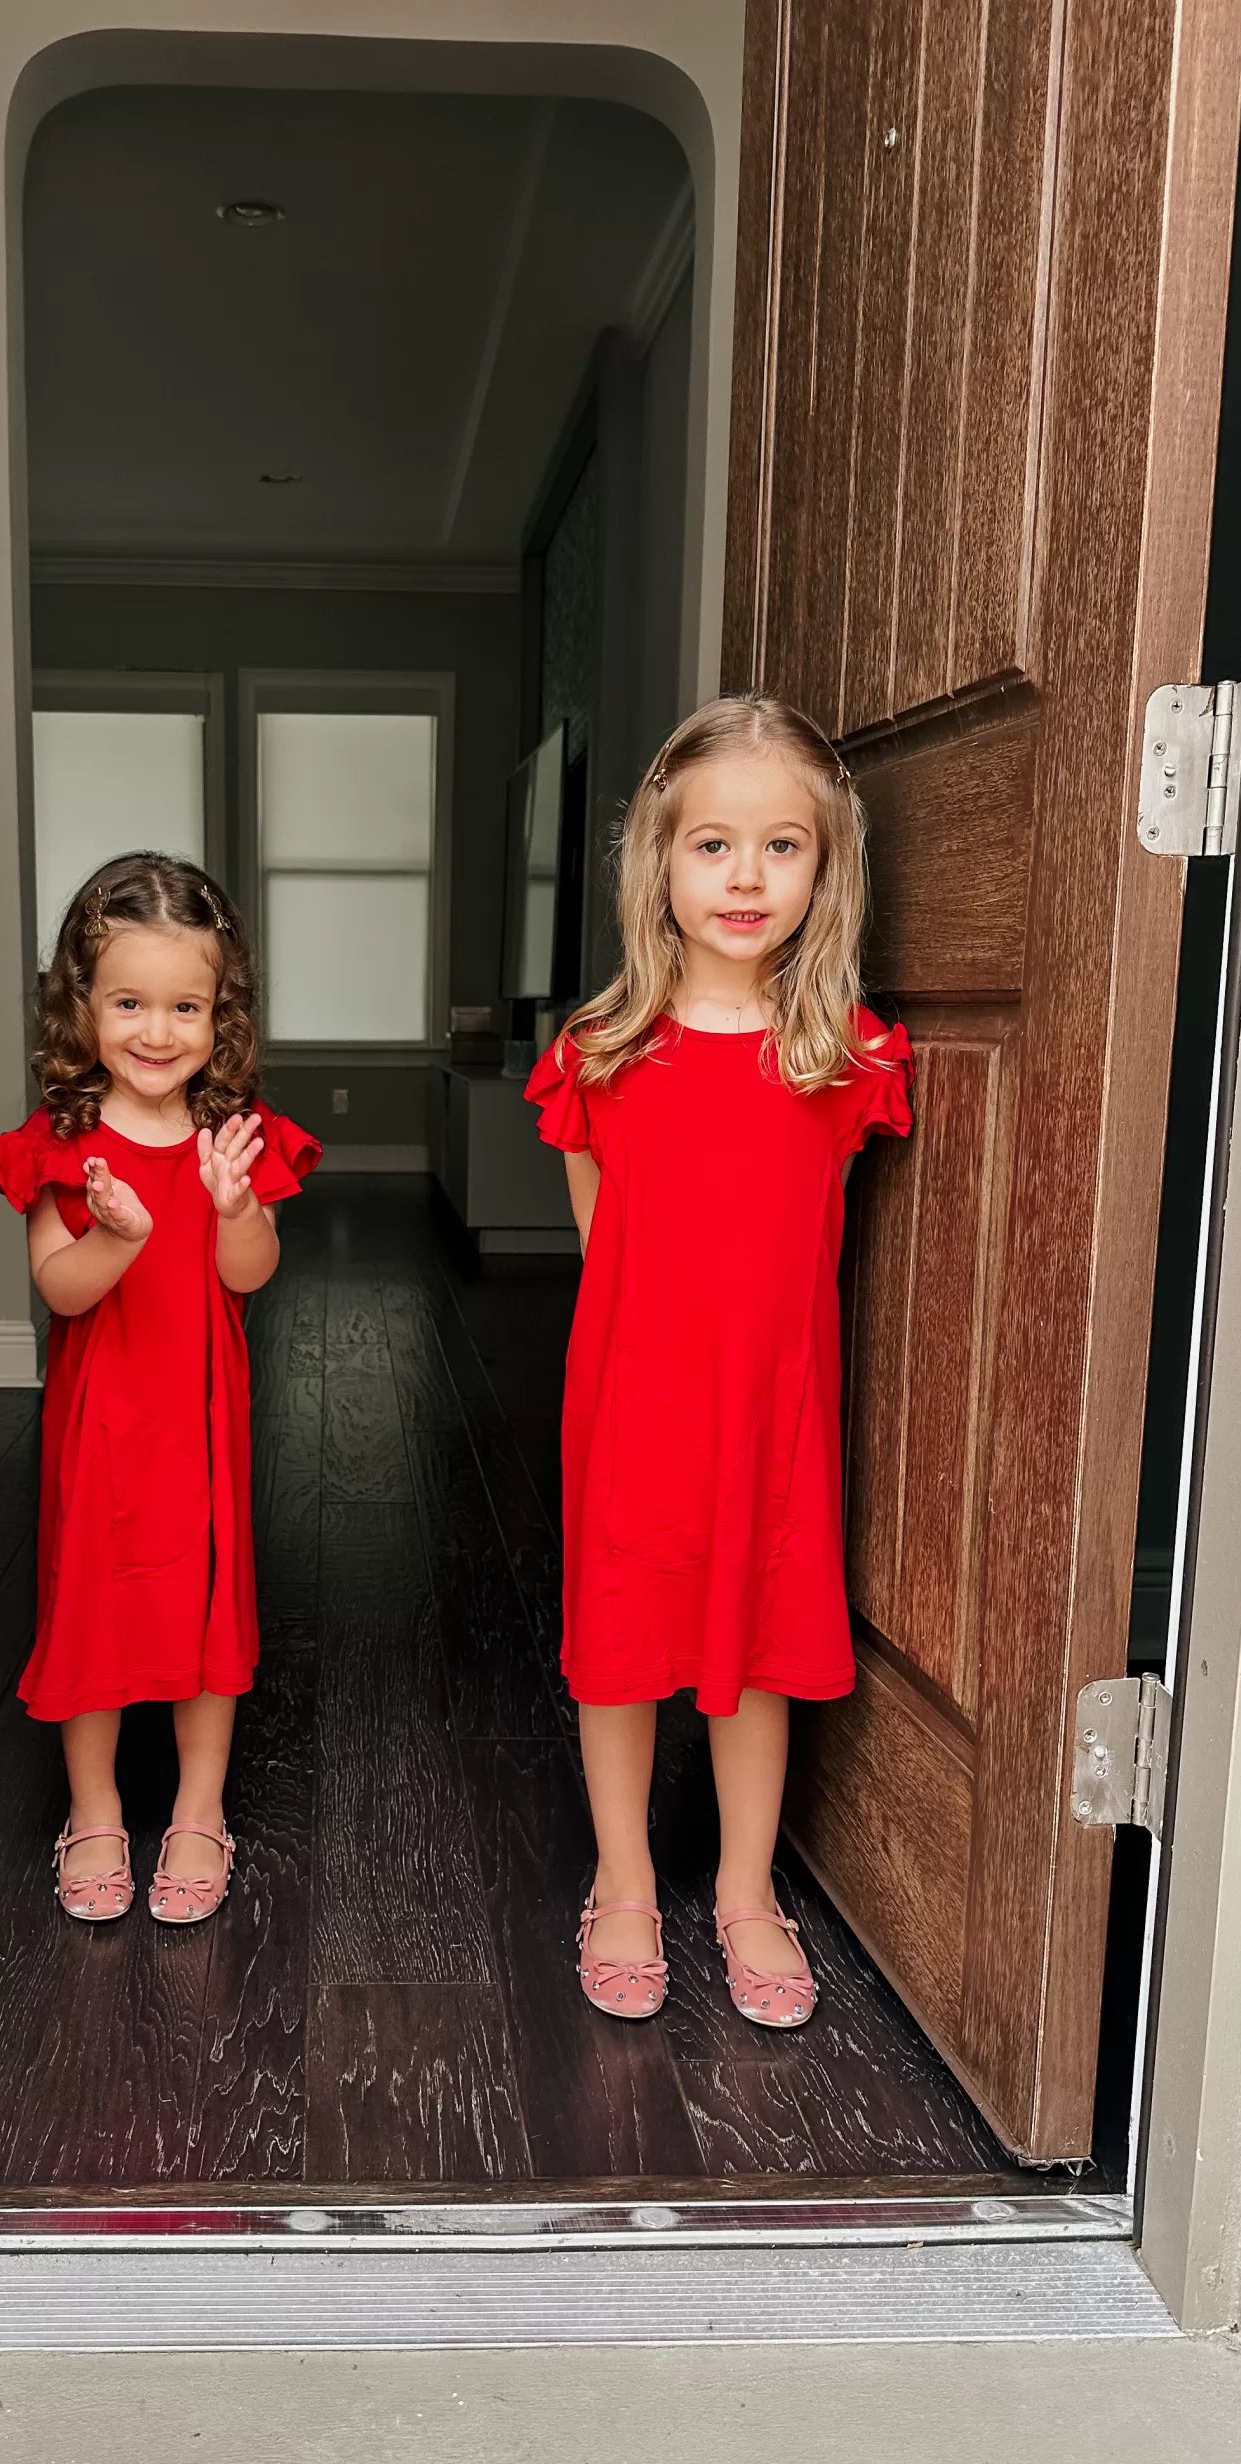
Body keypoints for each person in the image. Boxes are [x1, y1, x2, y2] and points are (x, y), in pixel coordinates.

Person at [525, 693, 911, 2027]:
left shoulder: (846, 1059)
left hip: (775, 1418)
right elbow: (604, 1252)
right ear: (659, 861)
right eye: (713, 847)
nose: (746, 877)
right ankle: (624, 1881)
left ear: (826, 868)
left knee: (759, 1647)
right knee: (623, 1647)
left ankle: (748, 1890)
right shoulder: (600, 1055)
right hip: (637, 1409)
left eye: (783, 846)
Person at [0, 854, 318, 1928]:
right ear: (80, 1006)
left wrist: (229, 1208)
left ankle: (201, 1810)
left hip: (202, 1418)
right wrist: (119, 1236)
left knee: (207, 1610)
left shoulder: (234, 1138)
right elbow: (61, 1289)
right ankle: (92, 1810)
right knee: (92, 1604)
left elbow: (248, 1275)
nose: (158, 1032)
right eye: (129, 1002)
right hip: (102, 1425)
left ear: (223, 1014)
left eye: (186, 1006)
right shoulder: (61, 1146)